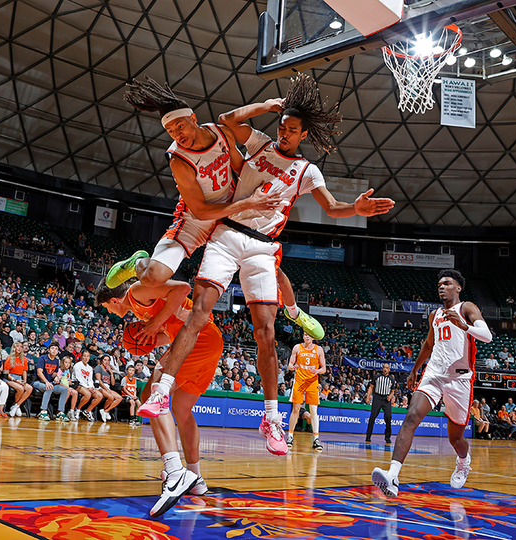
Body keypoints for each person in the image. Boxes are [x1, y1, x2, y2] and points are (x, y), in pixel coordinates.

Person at [138, 74, 394, 456]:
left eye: (292, 130)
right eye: (282, 127)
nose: (285, 133)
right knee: (199, 316)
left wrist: (354, 209)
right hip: (226, 234)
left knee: (266, 334)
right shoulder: (259, 143)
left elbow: (332, 207)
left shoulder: (308, 171)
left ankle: (271, 418)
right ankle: (160, 392)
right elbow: (227, 118)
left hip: (263, 249)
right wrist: (268, 105)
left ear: (304, 135)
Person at [108, 75, 325, 341]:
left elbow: (239, 164)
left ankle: (294, 312)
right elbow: (199, 210)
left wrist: (269, 176)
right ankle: (138, 263)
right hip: (196, 220)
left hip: (233, 217)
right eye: (171, 132)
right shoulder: (178, 158)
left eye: (180, 127)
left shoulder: (220, 133)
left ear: (193, 118)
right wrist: (248, 202)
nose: (178, 135)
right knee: (154, 276)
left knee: (275, 272)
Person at [96, 276, 225, 517]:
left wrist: (155, 323)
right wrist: (151, 338)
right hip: (205, 339)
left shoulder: (137, 292)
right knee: (182, 410)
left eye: (107, 307)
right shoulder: (139, 308)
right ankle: (195, 477)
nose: (110, 312)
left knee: (152, 395)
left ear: (114, 300)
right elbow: (172, 327)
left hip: (199, 340)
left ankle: (175, 472)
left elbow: (183, 289)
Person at [372, 269, 492, 497]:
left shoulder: (467, 308)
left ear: (458, 287)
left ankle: (463, 461)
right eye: (439, 283)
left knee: (455, 438)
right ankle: (393, 476)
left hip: (460, 380)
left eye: (447, 283)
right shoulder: (434, 315)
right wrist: (414, 370)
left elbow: (487, 336)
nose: (441, 286)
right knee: (411, 417)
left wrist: (464, 325)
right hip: (434, 374)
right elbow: (428, 345)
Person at [286, 332, 326, 450]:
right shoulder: (297, 347)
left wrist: (317, 371)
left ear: (313, 337)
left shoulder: (319, 349)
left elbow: (324, 369)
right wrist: (292, 367)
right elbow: (289, 365)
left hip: (312, 382)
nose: (307, 336)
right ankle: (290, 436)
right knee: (296, 409)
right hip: (299, 381)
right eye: (305, 335)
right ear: (303, 336)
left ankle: (316, 439)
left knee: (313, 411)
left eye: (309, 335)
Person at [31, 343, 70, 422]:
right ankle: (42, 411)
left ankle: (60, 412)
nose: (54, 350)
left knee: (64, 390)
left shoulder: (56, 361)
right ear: (48, 350)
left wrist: (56, 377)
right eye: (52, 348)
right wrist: (46, 382)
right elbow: (39, 373)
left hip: (49, 382)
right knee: (49, 388)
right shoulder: (42, 358)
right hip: (38, 382)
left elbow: (54, 374)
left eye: (56, 348)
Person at [365, 363, 397, 444]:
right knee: (372, 417)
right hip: (377, 398)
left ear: (389, 370)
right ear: (382, 368)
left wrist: (390, 396)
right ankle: (368, 436)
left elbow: (393, 391)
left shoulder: (392, 380)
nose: (385, 369)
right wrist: (368, 397)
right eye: (384, 367)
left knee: (388, 417)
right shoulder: (376, 377)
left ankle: (387, 437)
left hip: (386, 399)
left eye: (387, 368)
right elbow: (371, 387)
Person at [72, 350, 103, 422]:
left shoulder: (89, 368)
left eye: (88, 356)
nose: (86, 358)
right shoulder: (77, 365)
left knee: (99, 395)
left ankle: (87, 411)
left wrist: (91, 387)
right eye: (84, 356)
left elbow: (90, 380)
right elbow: (79, 378)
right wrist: (88, 388)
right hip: (77, 384)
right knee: (88, 394)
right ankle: (78, 409)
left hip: (87, 386)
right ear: (81, 357)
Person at [3, 341, 32, 417]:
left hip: (20, 377)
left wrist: (25, 380)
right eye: (18, 346)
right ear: (14, 347)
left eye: (21, 347)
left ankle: (16, 406)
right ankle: (15, 406)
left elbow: (24, 371)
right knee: (20, 388)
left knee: (29, 388)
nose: (19, 348)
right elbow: (6, 374)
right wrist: (15, 380)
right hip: (10, 378)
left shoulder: (24, 359)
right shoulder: (9, 358)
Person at [92, 354, 122, 421]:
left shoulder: (108, 371)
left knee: (119, 398)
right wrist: (106, 389)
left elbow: (113, 383)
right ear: (102, 361)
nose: (106, 362)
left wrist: (111, 373)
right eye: (105, 360)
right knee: (111, 397)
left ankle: (105, 411)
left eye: (108, 360)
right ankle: (104, 411)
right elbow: (99, 380)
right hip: (99, 387)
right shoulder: (98, 368)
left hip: (107, 388)